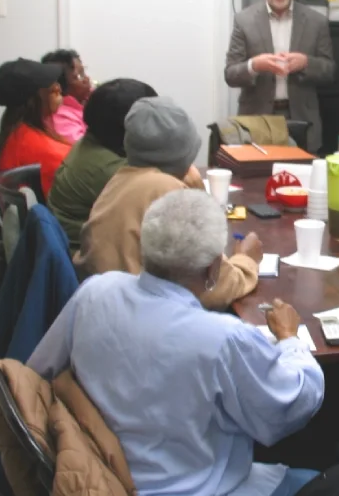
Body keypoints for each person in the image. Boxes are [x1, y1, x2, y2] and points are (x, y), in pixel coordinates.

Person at [28, 189, 325, 496]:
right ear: (212, 271)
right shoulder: (222, 339)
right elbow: (290, 406)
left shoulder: (95, 292)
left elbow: (36, 373)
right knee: (323, 494)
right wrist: (291, 341)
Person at [76, 95, 262, 310]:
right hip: (146, 320)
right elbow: (213, 288)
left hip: (110, 309)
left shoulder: (120, 180)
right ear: (184, 154)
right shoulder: (167, 192)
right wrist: (247, 261)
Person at [224, 0, 335, 152]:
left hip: (301, 119)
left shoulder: (316, 21)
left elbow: (329, 71)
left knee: (302, 180)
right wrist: (254, 66)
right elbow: (230, 74)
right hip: (257, 120)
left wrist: (306, 63)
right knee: (257, 179)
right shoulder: (244, 21)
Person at [48, 78, 157, 251]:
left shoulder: (92, 143)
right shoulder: (111, 170)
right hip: (88, 260)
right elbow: (160, 211)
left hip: (82, 248)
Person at [0, 58, 72, 197]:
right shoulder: (37, 146)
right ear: (33, 99)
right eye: (51, 86)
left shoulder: (14, 132)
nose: (58, 88)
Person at [42, 48, 92, 142]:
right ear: (60, 86)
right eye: (79, 76)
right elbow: (84, 149)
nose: (87, 79)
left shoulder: (87, 99)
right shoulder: (60, 117)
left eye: (83, 72)